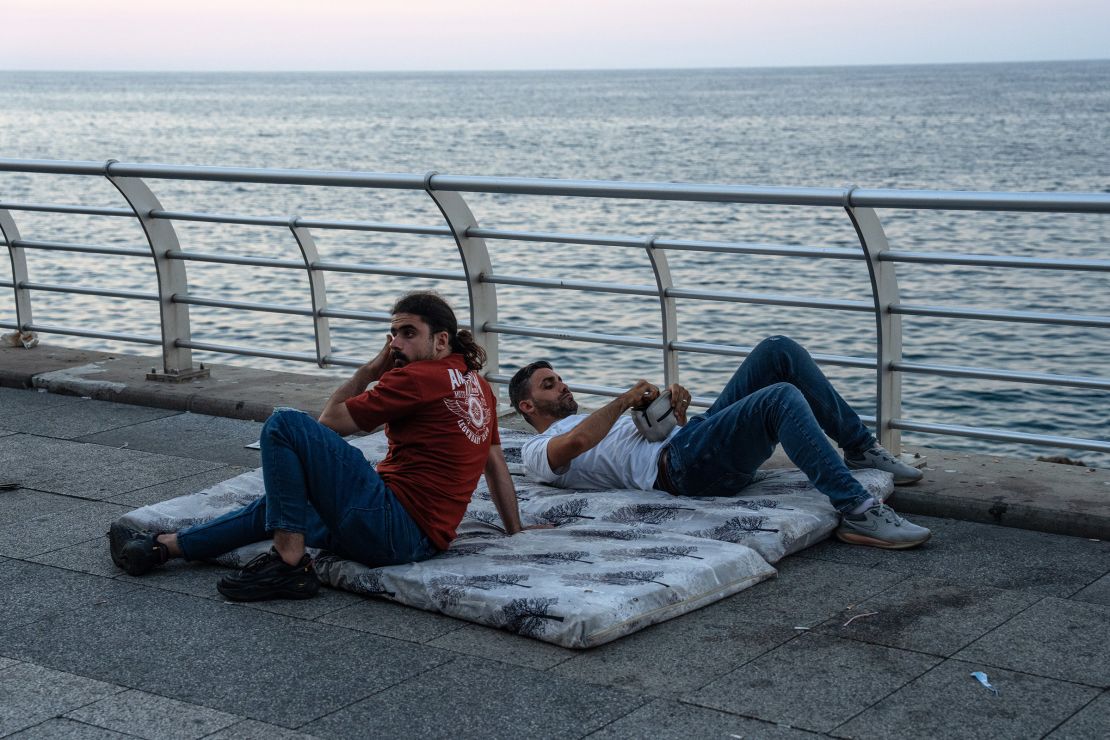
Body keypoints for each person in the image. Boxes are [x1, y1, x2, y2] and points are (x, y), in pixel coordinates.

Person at [109, 291, 525, 600]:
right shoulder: (479, 388)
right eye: (392, 333)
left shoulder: (416, 378)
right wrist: (516, 529)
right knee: (284, 507)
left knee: (284, 423)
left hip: (391, 523)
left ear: (440, 341)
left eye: (408, 333)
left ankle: (288, 563)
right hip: (420, 540)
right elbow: (494, 463)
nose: (395, 343)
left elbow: (329, 423)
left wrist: (369, 369)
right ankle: (167, 548)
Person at [508, 335, 930, 549]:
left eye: (560, 378)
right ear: (527, 407)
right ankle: (857, 510)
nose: (562, 386)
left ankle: (860, 447)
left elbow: (631, 437)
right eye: (550, 385)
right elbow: (578, 443)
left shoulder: (588, 416)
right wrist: (623, 401)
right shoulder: (537, 452)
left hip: (688, 442)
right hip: (680, 468)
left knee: (776, 351)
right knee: (779, 398)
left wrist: (675, 412)